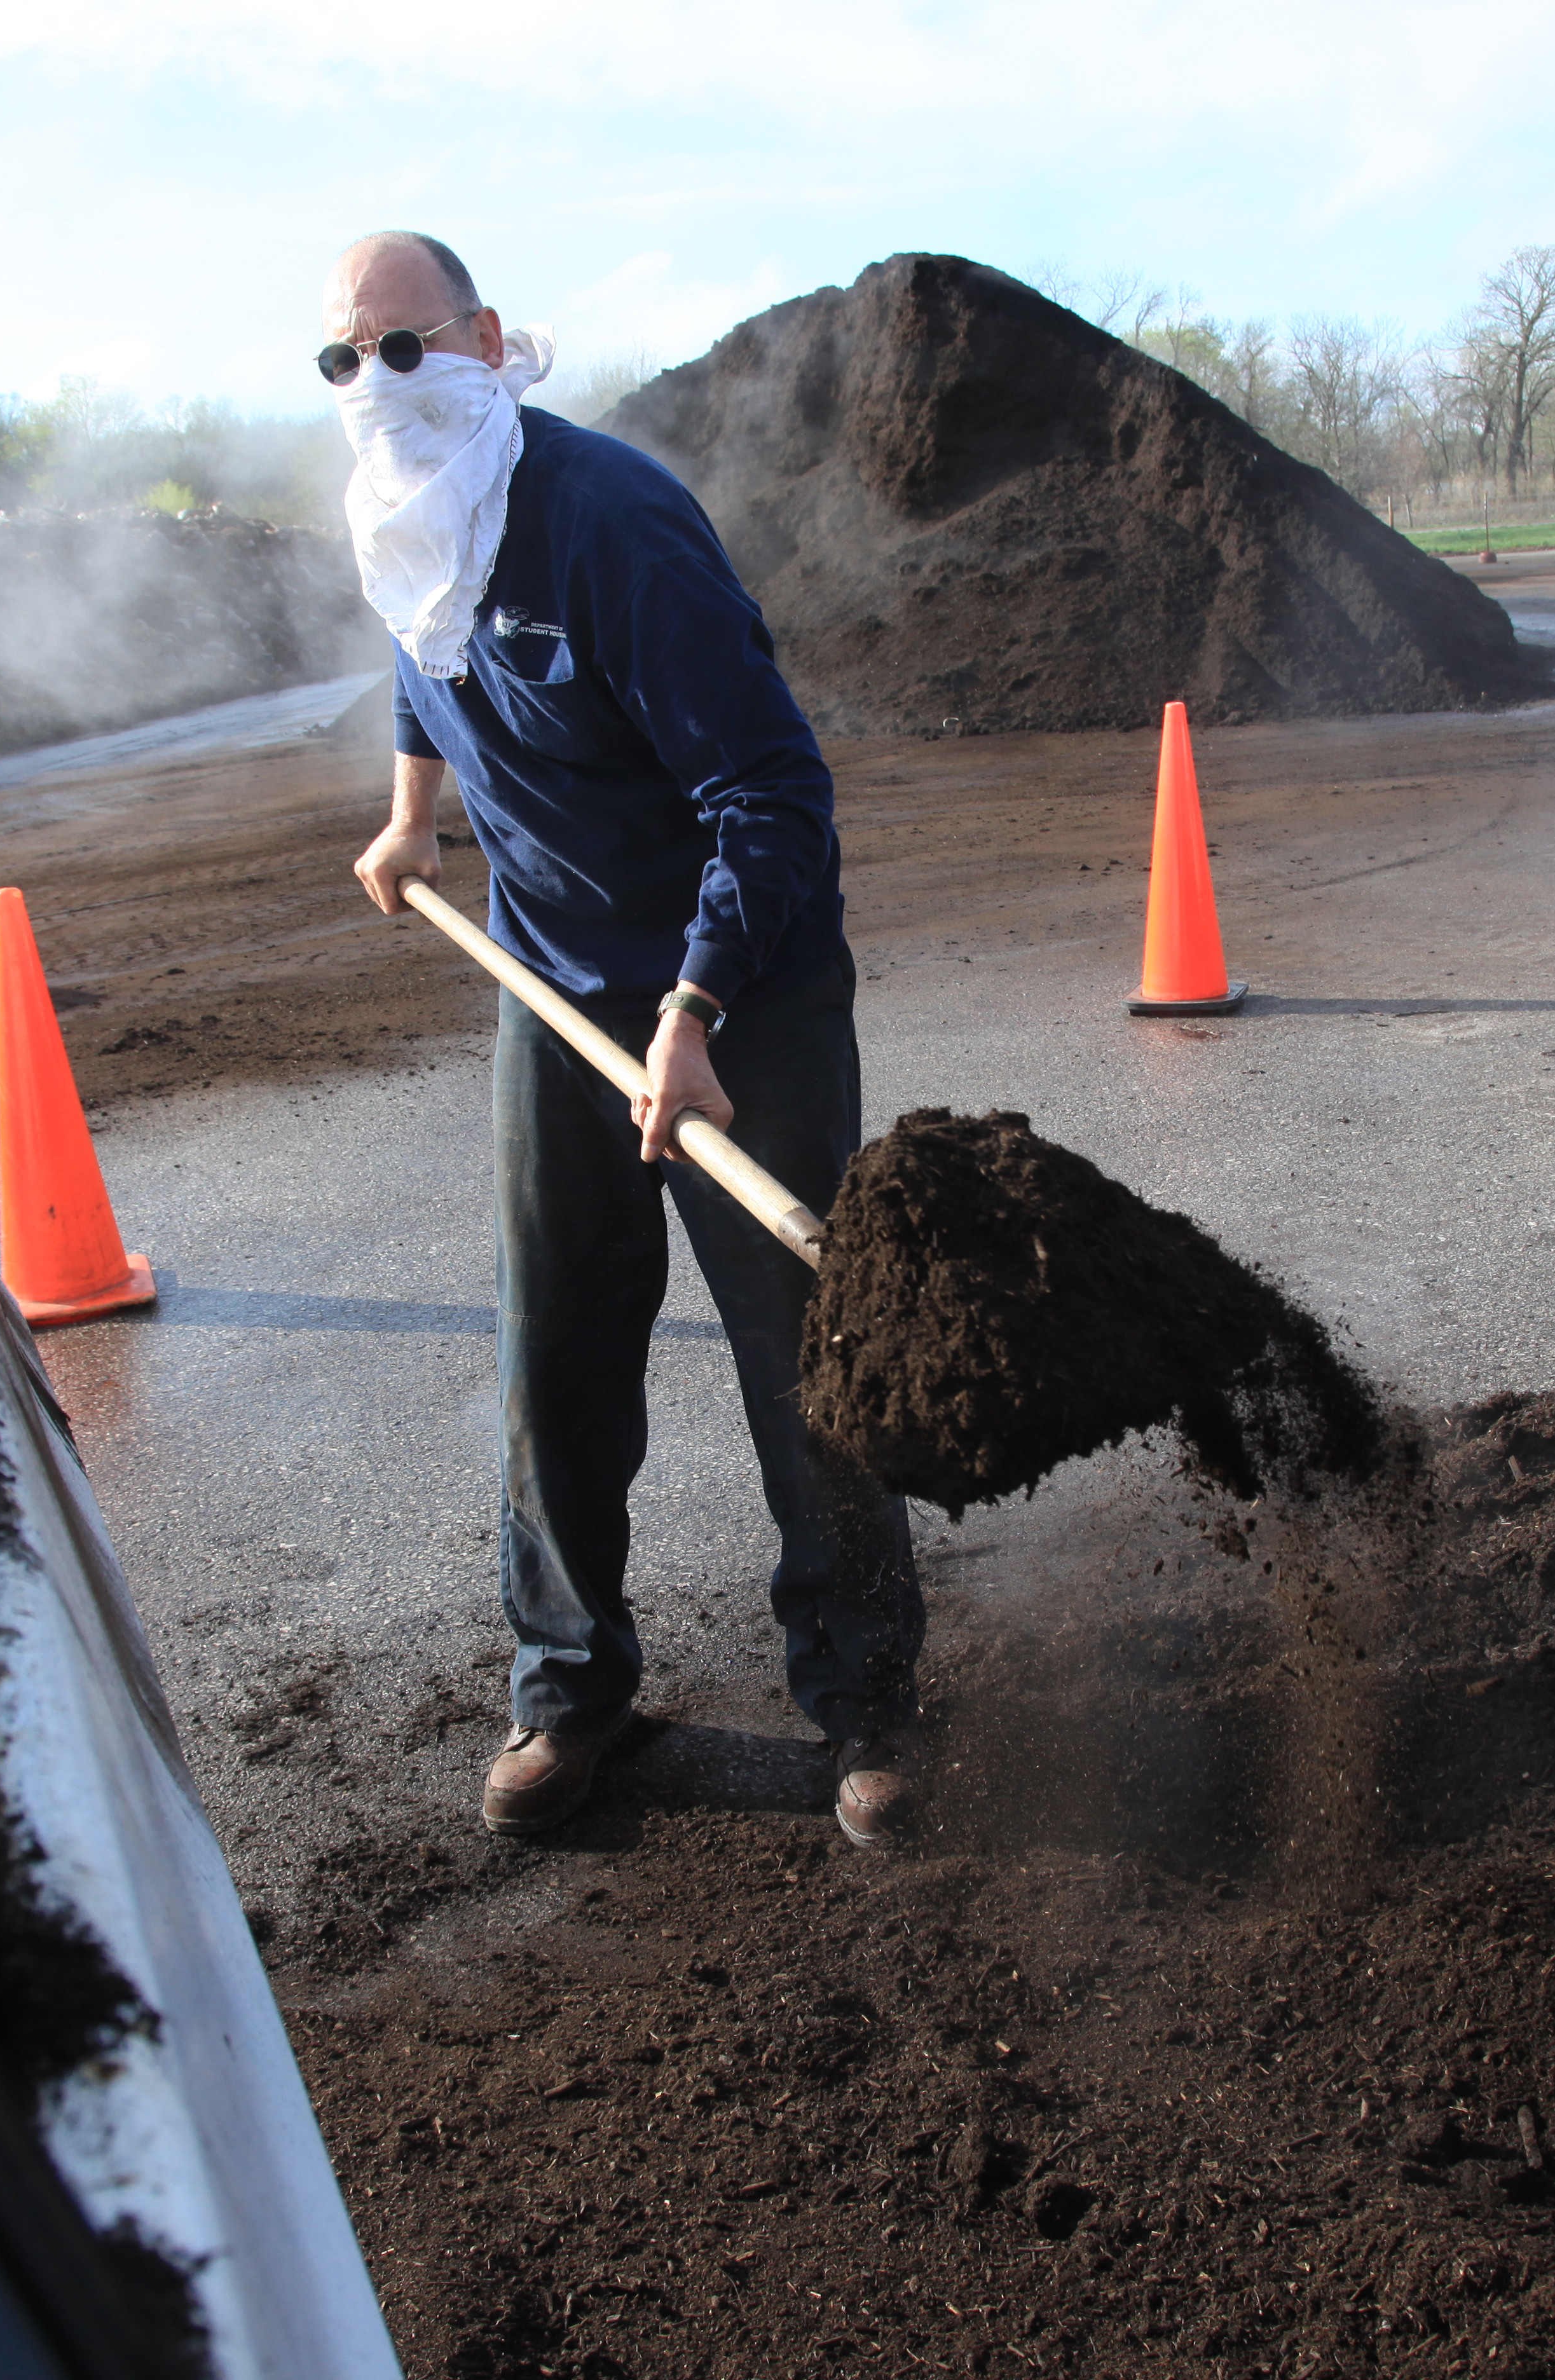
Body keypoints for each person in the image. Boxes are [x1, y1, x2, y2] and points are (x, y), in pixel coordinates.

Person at [325, 231, 922, 1849]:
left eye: (403, 351)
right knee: (558, 1351)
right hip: (553, 981)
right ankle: (570, 1692)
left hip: (746, 992)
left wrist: (696, 1011)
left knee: (809, 1359)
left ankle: (866, 1704)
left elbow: (772, 794)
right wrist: (411, 821)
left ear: (487, 343)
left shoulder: (613, 526)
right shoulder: (410, 521)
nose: (374, 388)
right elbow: (420, 658)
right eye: (343, 360)